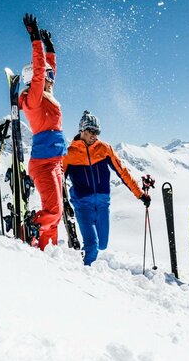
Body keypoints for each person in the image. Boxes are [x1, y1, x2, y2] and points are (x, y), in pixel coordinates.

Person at [63, 110, 149, 265]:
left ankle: (81, 257)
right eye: (92, 131)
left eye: (97, 132)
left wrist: (140, 194)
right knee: (93, 246)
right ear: (82, 130)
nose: (95, 135)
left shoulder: (104, 149)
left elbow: (123, 172)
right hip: (83, 205)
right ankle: (81, 275)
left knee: (102, 244)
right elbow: (58, 177)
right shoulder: (69, 153)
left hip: (103, 204)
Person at [19, 13, 65, 250]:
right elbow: (40, 71)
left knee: (57, 215)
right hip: (43, 163)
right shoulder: (34, 98)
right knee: (53, 210)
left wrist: (51, 48)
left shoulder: (48, 95)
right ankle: (29, 227)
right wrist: (35, 39)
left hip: (55, 162)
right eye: (47, 76)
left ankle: (48, 251)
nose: (50, 79)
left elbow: (47, 70)